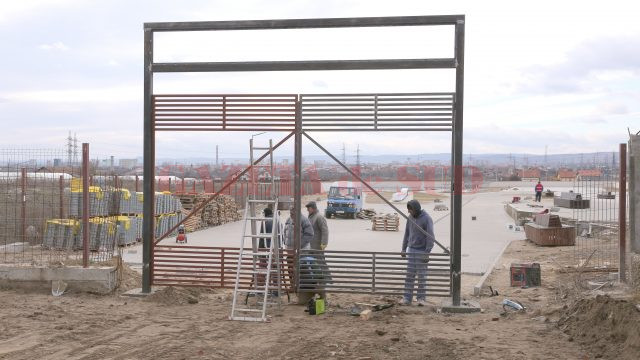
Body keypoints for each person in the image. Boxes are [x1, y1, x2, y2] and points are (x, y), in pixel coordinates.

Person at [401, 199, 435, 306]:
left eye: (410, 210)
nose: (409, 212)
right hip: (411, 250)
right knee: (409, 275)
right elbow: (406, 234)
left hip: (421, 251)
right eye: (408, 210)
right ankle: (407, 298)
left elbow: (430, 237)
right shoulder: (410, 218)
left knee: (422, 276)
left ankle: (421, 298)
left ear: (416, 209)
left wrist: (427, 252)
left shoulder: (427, 219)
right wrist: (403, 248)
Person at [306, 201, 332, 297]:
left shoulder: (319, 217)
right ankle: (319, 280)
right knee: (315, 264)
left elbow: (325, 231)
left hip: (318, 246)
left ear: (312, 208)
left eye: (308, 208)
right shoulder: (311, 217)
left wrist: (324, 243)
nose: (307, 210)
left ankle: (326, 279)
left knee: (321, 263)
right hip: (311, 246)